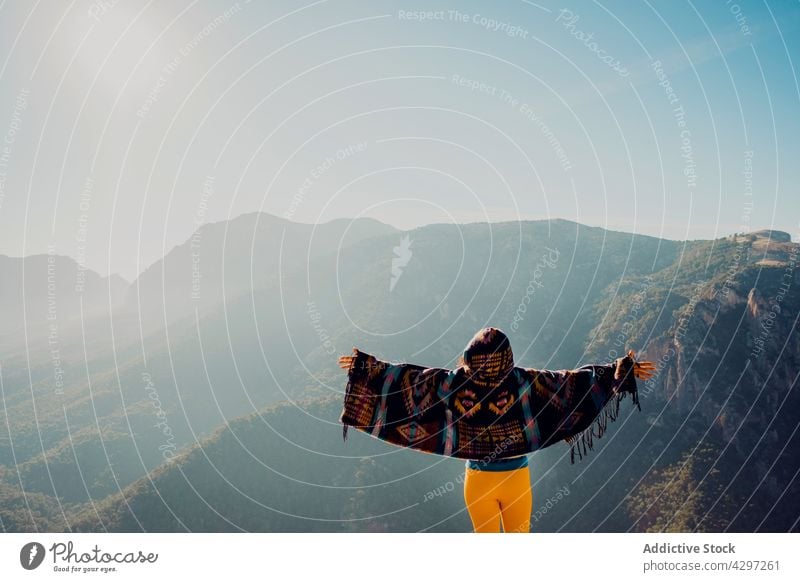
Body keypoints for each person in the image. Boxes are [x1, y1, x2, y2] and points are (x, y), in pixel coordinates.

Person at [338, 327, 655, 533]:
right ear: (507, 358)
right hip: (517, 480)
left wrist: (367, 370)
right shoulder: (527, 383)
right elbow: (573, 383)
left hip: (477, 483)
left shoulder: (451, 385)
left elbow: (410, 381)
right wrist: (619, 372)